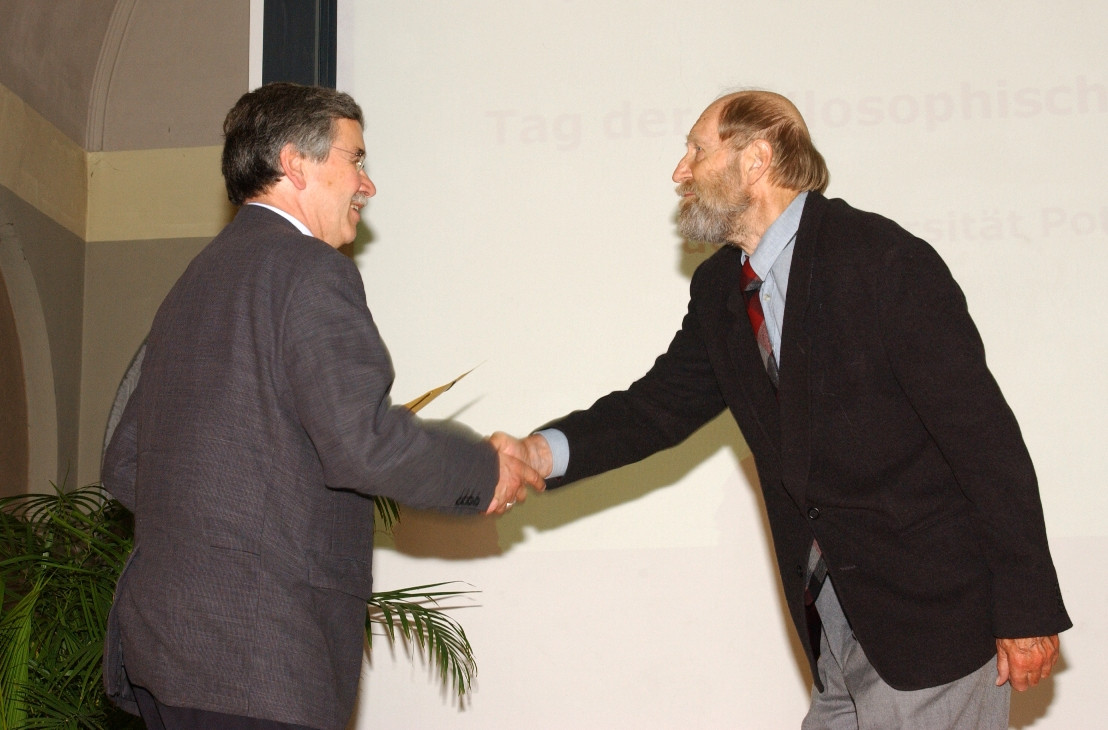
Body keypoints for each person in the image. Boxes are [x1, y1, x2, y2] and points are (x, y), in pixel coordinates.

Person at [498, 90, 1070, 729]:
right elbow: (655, 409)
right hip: (835, 632)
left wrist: (1027, 610)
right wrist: (537, 455)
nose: (679, 171)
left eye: (696, 150)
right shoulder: (721, 288)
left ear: (756, 160)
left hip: (934, 625)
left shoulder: (882, 260)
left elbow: (986, 442)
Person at [100, 82, 543, 730]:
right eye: (355, 159)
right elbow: (365, 443)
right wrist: (485, 470)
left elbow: (123, 463)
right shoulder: (309, 269)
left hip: (166, 654)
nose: (367, 184)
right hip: (259, 658)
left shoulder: (194, 282)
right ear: (295, 163)